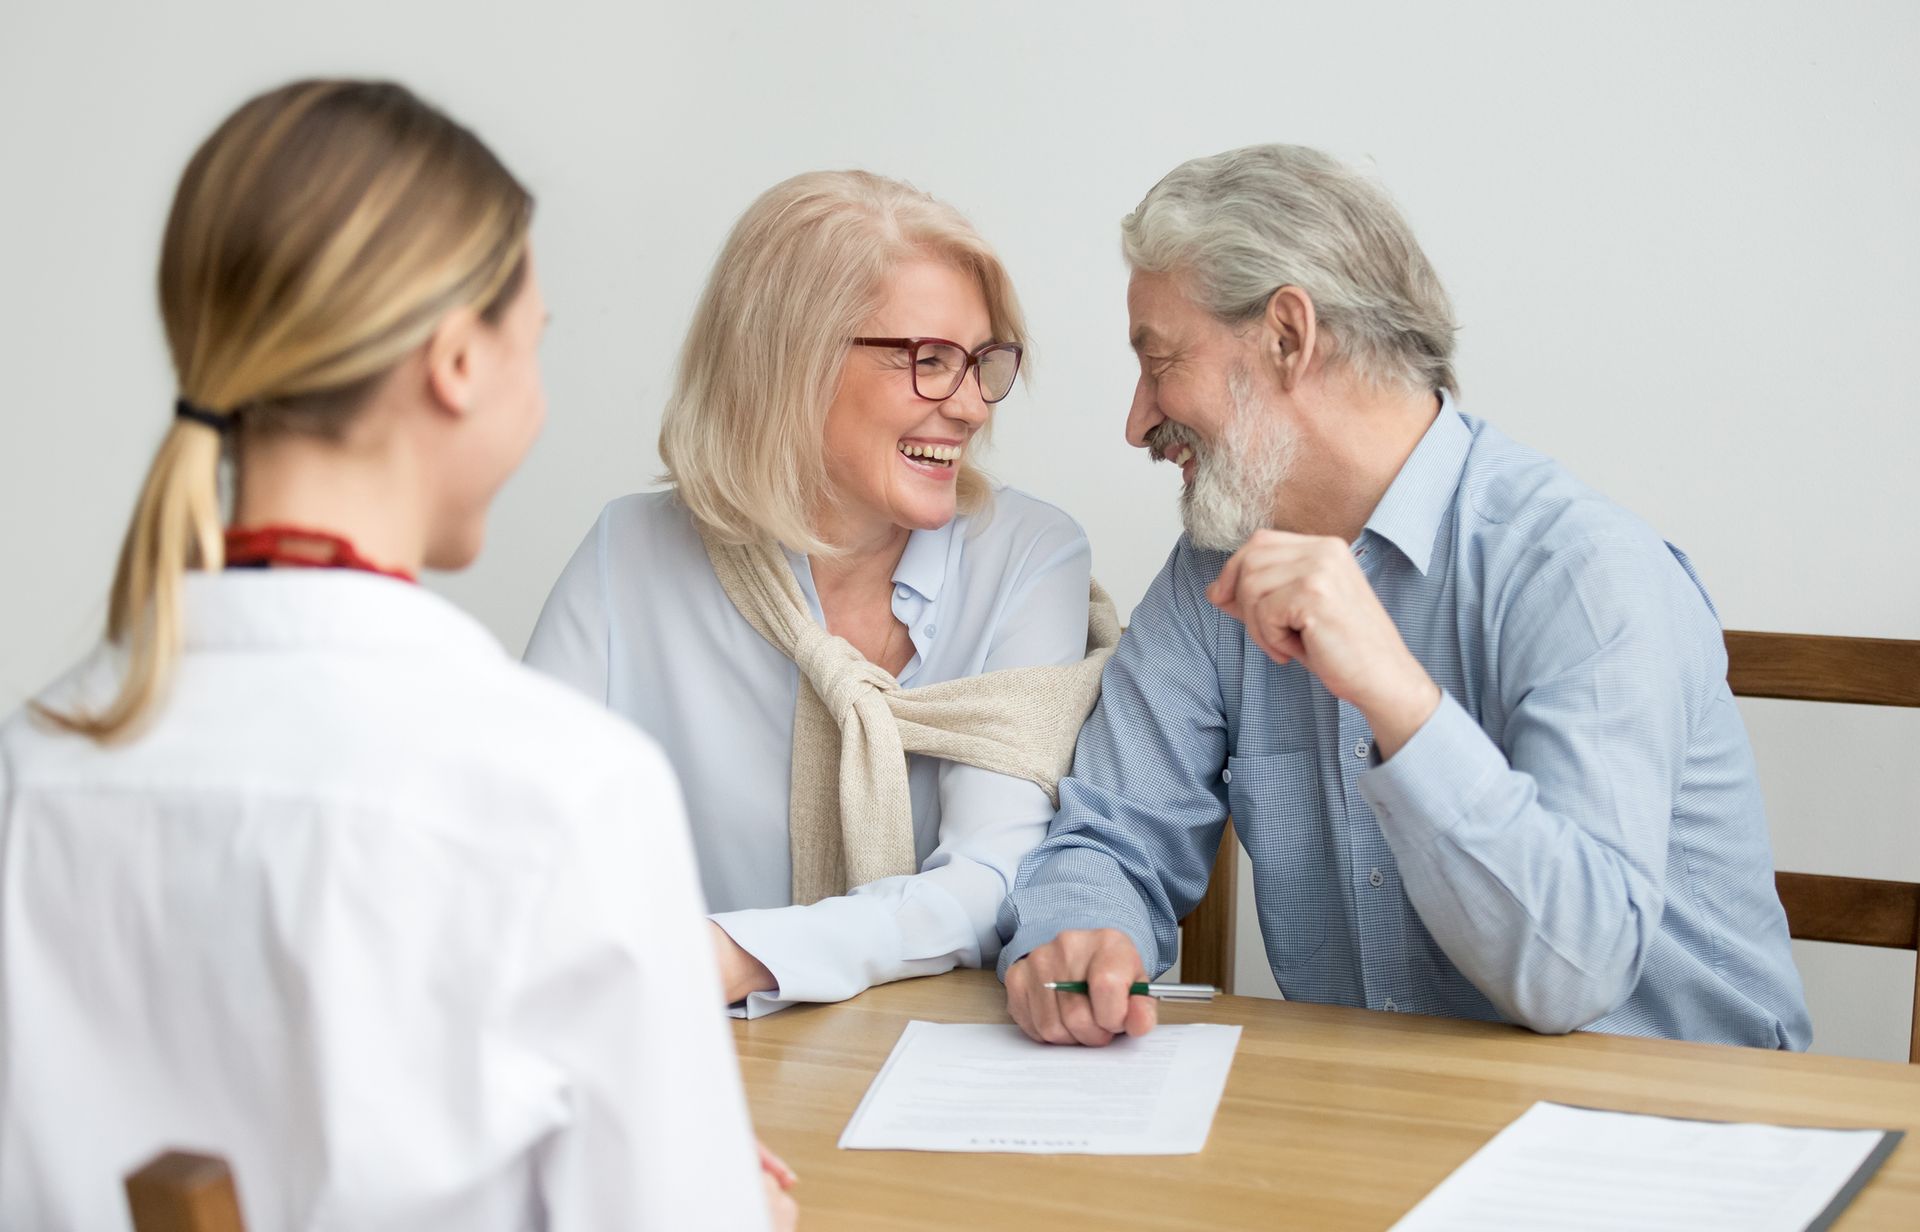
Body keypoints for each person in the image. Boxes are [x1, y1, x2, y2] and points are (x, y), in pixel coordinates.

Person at [0, 79, 790, 1231]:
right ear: (456, 362)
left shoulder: (34, 765)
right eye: (534, 344)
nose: (538, 391)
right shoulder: (562, 791)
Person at [997, 144, 1811, 1052]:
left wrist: (1396, 696)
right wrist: (1083, 938)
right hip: (1389, 1128)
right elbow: (1108, 842)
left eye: (1159, 361)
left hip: (1684, 1128)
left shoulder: (1580, 571)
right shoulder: (1211, 576)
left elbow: (1573, 972)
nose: (1137, 419)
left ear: (1288, 338)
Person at [526, 170, 1116, 1018]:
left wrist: (738, 955)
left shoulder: (1028, 556)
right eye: (929, 361)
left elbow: (993, 879)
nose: (969, 407)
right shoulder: (631, 554)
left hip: (939, 1062)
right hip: (685, 1056)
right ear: (791, 361)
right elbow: (523, 843)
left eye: (982, 362)